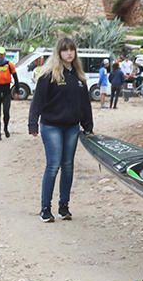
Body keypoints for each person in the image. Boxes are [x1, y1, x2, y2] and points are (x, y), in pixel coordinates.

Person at [28, 37, 94, 223]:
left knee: (68, 166)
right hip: (51, 126)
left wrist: (88, 126)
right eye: (65, 50)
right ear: (59, 53)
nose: (69, 53)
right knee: (53, 165)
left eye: (72, 49)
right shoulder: (49, 75)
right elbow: (37, 101)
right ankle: (45, 209)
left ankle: (64, 207)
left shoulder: (79, 77)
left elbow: (85, 105)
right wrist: (32, 123)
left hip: (72, 127)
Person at [0, 46, 19, 140]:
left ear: (4, 55)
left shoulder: (9, 65)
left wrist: (17, 90)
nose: (0, 56)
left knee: (6, 112)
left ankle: (5, 128)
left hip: (6, 90)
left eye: (2, 54)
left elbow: (15, 78)